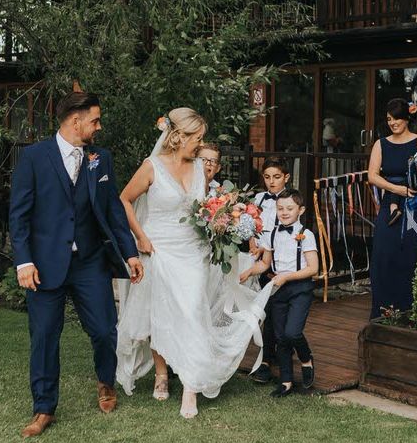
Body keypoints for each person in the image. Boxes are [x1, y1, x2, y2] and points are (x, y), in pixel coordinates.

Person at [115, 108, 273, 418]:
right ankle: (161, 375)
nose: (199, 146)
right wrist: (141, 237)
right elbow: (124, 200)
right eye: (196, 139)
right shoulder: (152, 167)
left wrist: (226, 218)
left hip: (194, 252)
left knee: (191, 312)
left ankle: (191, 384)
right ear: (178, 137)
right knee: (160, 313)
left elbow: (207, 208)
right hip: (158, 248)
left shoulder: (200, 168)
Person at [9, 91, 144, 438]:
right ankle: (43, 408)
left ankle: (105, 381)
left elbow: (113, 210)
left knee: (103, 329)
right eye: (95, 120)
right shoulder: (34, 158)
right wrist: (23, 260)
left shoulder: (102, 159)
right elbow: (19, 216)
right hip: (43, 264)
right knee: (43, 337)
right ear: (75, 120)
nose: (98, 127)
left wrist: (130, 253)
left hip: (89, 263)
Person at [239, 190, 318, 397]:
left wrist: (287, 277)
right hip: (277, 289)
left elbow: (313, 268)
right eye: (280, 208)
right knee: (281, 336)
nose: (284, 213)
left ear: (300, 210)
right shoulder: (271, 233)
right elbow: (265, 264)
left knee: (293, 332)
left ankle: (306, 358)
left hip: (300, 288)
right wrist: (248, 271)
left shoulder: (306, 235)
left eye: (289, 209)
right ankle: (286, 381)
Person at [367, 99, 417, 319]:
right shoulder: (381, 144)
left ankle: (411, 309)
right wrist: (396, 188)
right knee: (384, 253)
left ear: (407, 117)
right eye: (389, 119)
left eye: (397, 118)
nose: (393, 122)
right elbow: (372, 175)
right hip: (391, 203)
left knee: (414, 253)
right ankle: (384, 310)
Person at [249, 157, 291, 384]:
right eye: (267, 177)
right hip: (259, 256)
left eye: (276, 177)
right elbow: (252, 224)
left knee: (275, 310)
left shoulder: (290, 201)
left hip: (279, 259)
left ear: (286, 177)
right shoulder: (258, 198)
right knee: (262, 309)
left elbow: (287, 231)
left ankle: (267, 360)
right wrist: (252, 243)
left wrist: (269, 253)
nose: (271, 182)